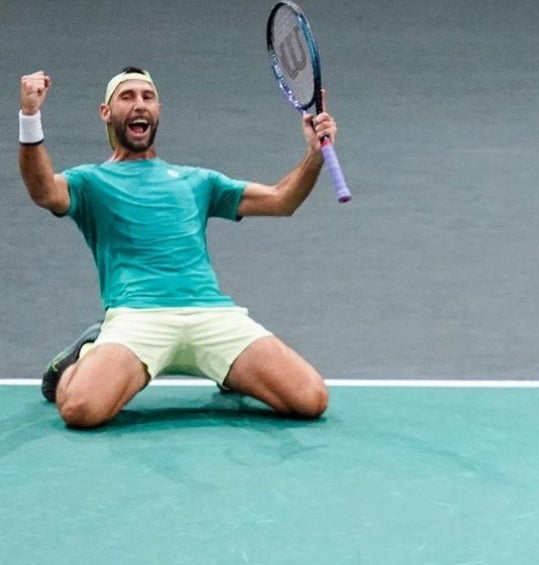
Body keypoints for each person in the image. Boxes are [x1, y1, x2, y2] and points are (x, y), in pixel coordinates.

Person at [18, 66, 332, 429]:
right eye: (127, 97)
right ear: (106, 113)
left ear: (158, 110)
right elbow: (43, 191)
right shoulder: (90, 181)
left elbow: (281, 201)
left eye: (147, 97)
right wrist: (30, 117)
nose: (139, 105)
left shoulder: (197, 180)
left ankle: (229, 370)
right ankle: (90, 350)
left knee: (311, 398)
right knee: (80, 410)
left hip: (211, 316)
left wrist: (314, 155)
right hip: (139, 317)